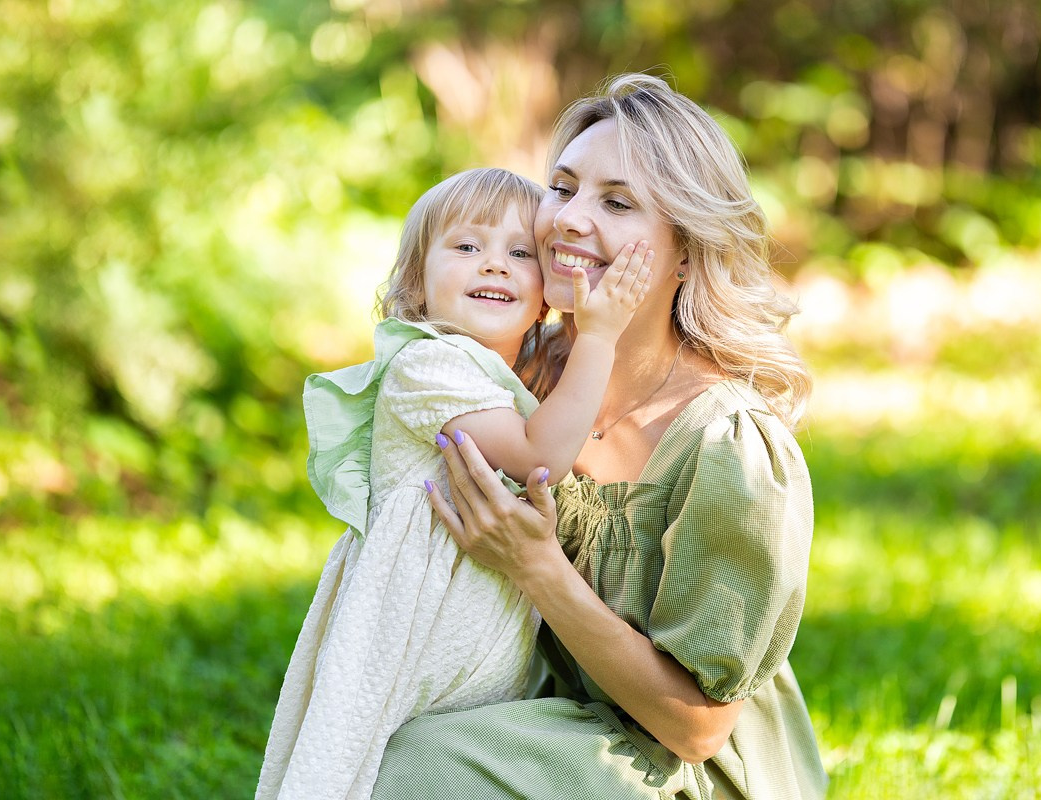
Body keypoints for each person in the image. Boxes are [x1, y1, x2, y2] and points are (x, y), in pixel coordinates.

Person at [371, 75, 828, 799]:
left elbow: (697, 728)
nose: (568, 221)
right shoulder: (520, 378)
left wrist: (540, 569)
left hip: (675, 768)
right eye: (562, 188)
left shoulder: (728, 444)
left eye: (616, 202)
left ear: (686, 251)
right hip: (542, 719)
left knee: (418, 765)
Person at [255, 167, 653, 800]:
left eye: (519, 253)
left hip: (470, 628)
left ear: (546, 288)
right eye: (467, 247)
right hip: (405, 631)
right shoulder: (425, 363)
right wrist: (600, 335)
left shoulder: (502, 375)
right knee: (363, 768)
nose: (494, 266)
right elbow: (538, 457)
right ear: (416, 281)